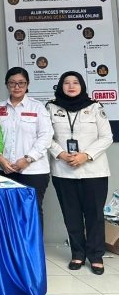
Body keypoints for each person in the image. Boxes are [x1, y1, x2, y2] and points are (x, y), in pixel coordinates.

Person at [47, 71, 112, 275]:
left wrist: (86, 155)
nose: (71, 86)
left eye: (75, 82)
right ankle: (77, 253)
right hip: (63, 171)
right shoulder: (51, 108)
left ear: (82, 86)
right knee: (71, 215)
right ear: (60, 86)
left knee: (94, 215)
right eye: (66, 83)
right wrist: (61, 154)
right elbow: (46, 136)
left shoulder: (95, 107)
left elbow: (107, 137)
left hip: (94, 171)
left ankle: (96, 255)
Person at [0, 67, 53, 225]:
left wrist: (28, 159)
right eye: (12, 83)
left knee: (31, 211)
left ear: (27, 84)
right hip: (4, 169)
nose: (17, 87)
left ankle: (33, 243)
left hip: (33, 170)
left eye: (21, 83)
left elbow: (46, 136)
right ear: (6, 84)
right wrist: (0, 158)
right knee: (6, 213)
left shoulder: (37, 107)